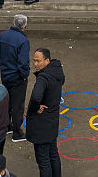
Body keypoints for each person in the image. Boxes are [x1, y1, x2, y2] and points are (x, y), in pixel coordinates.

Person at [27, 47, 65, 177]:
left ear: (47, 60)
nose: (35, 64)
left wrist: (34, 107)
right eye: (34, 61)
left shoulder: (43, 78)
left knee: (43, 160)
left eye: (38, 61)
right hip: (53, 120)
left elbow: (36, 97)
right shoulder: (57, 71)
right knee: (53, 154)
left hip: (42, 125)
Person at [0, 14, 30, 143]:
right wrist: (24, 75)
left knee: (7, 103)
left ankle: (7, 126)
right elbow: (23, 63)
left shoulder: (3, 35)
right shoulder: (23, 41)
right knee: (17, 106)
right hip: (17, 78)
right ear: (25, 26)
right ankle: (17, 132)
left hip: (5, 75)